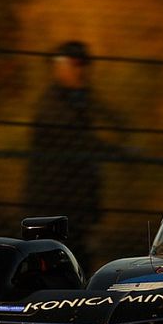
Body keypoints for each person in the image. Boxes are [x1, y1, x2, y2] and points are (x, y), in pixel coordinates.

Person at [26, 41, 125, 272]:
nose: (81, 71)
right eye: (75, 65)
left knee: (78, 261)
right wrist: (119, 152)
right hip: (54, 202)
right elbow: (79, 141)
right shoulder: (53, 106)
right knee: (61, 265)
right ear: (58, 67)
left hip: (75, 203)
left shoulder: (78, 100)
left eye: (83, 66)